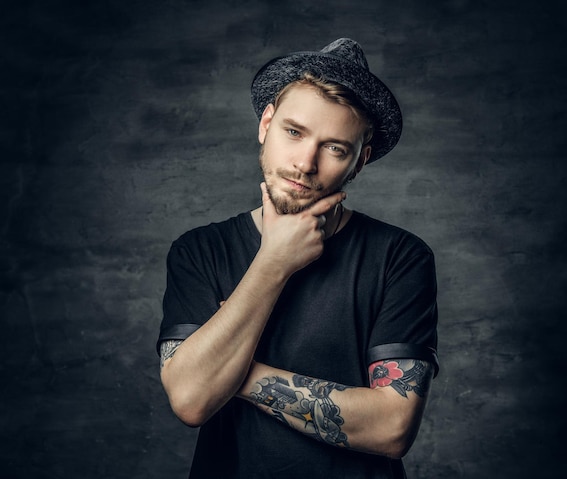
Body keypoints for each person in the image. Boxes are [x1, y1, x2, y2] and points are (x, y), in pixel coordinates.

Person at [157, 38, 439, 479]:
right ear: (266, 124)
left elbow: (392, 428)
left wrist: (232, 375)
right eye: (294, 131)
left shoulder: (400, 257)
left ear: (359, 162)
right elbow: (192, 401)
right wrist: (274, 261)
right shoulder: (199, 252)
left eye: (334, 148)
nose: (306, 163)